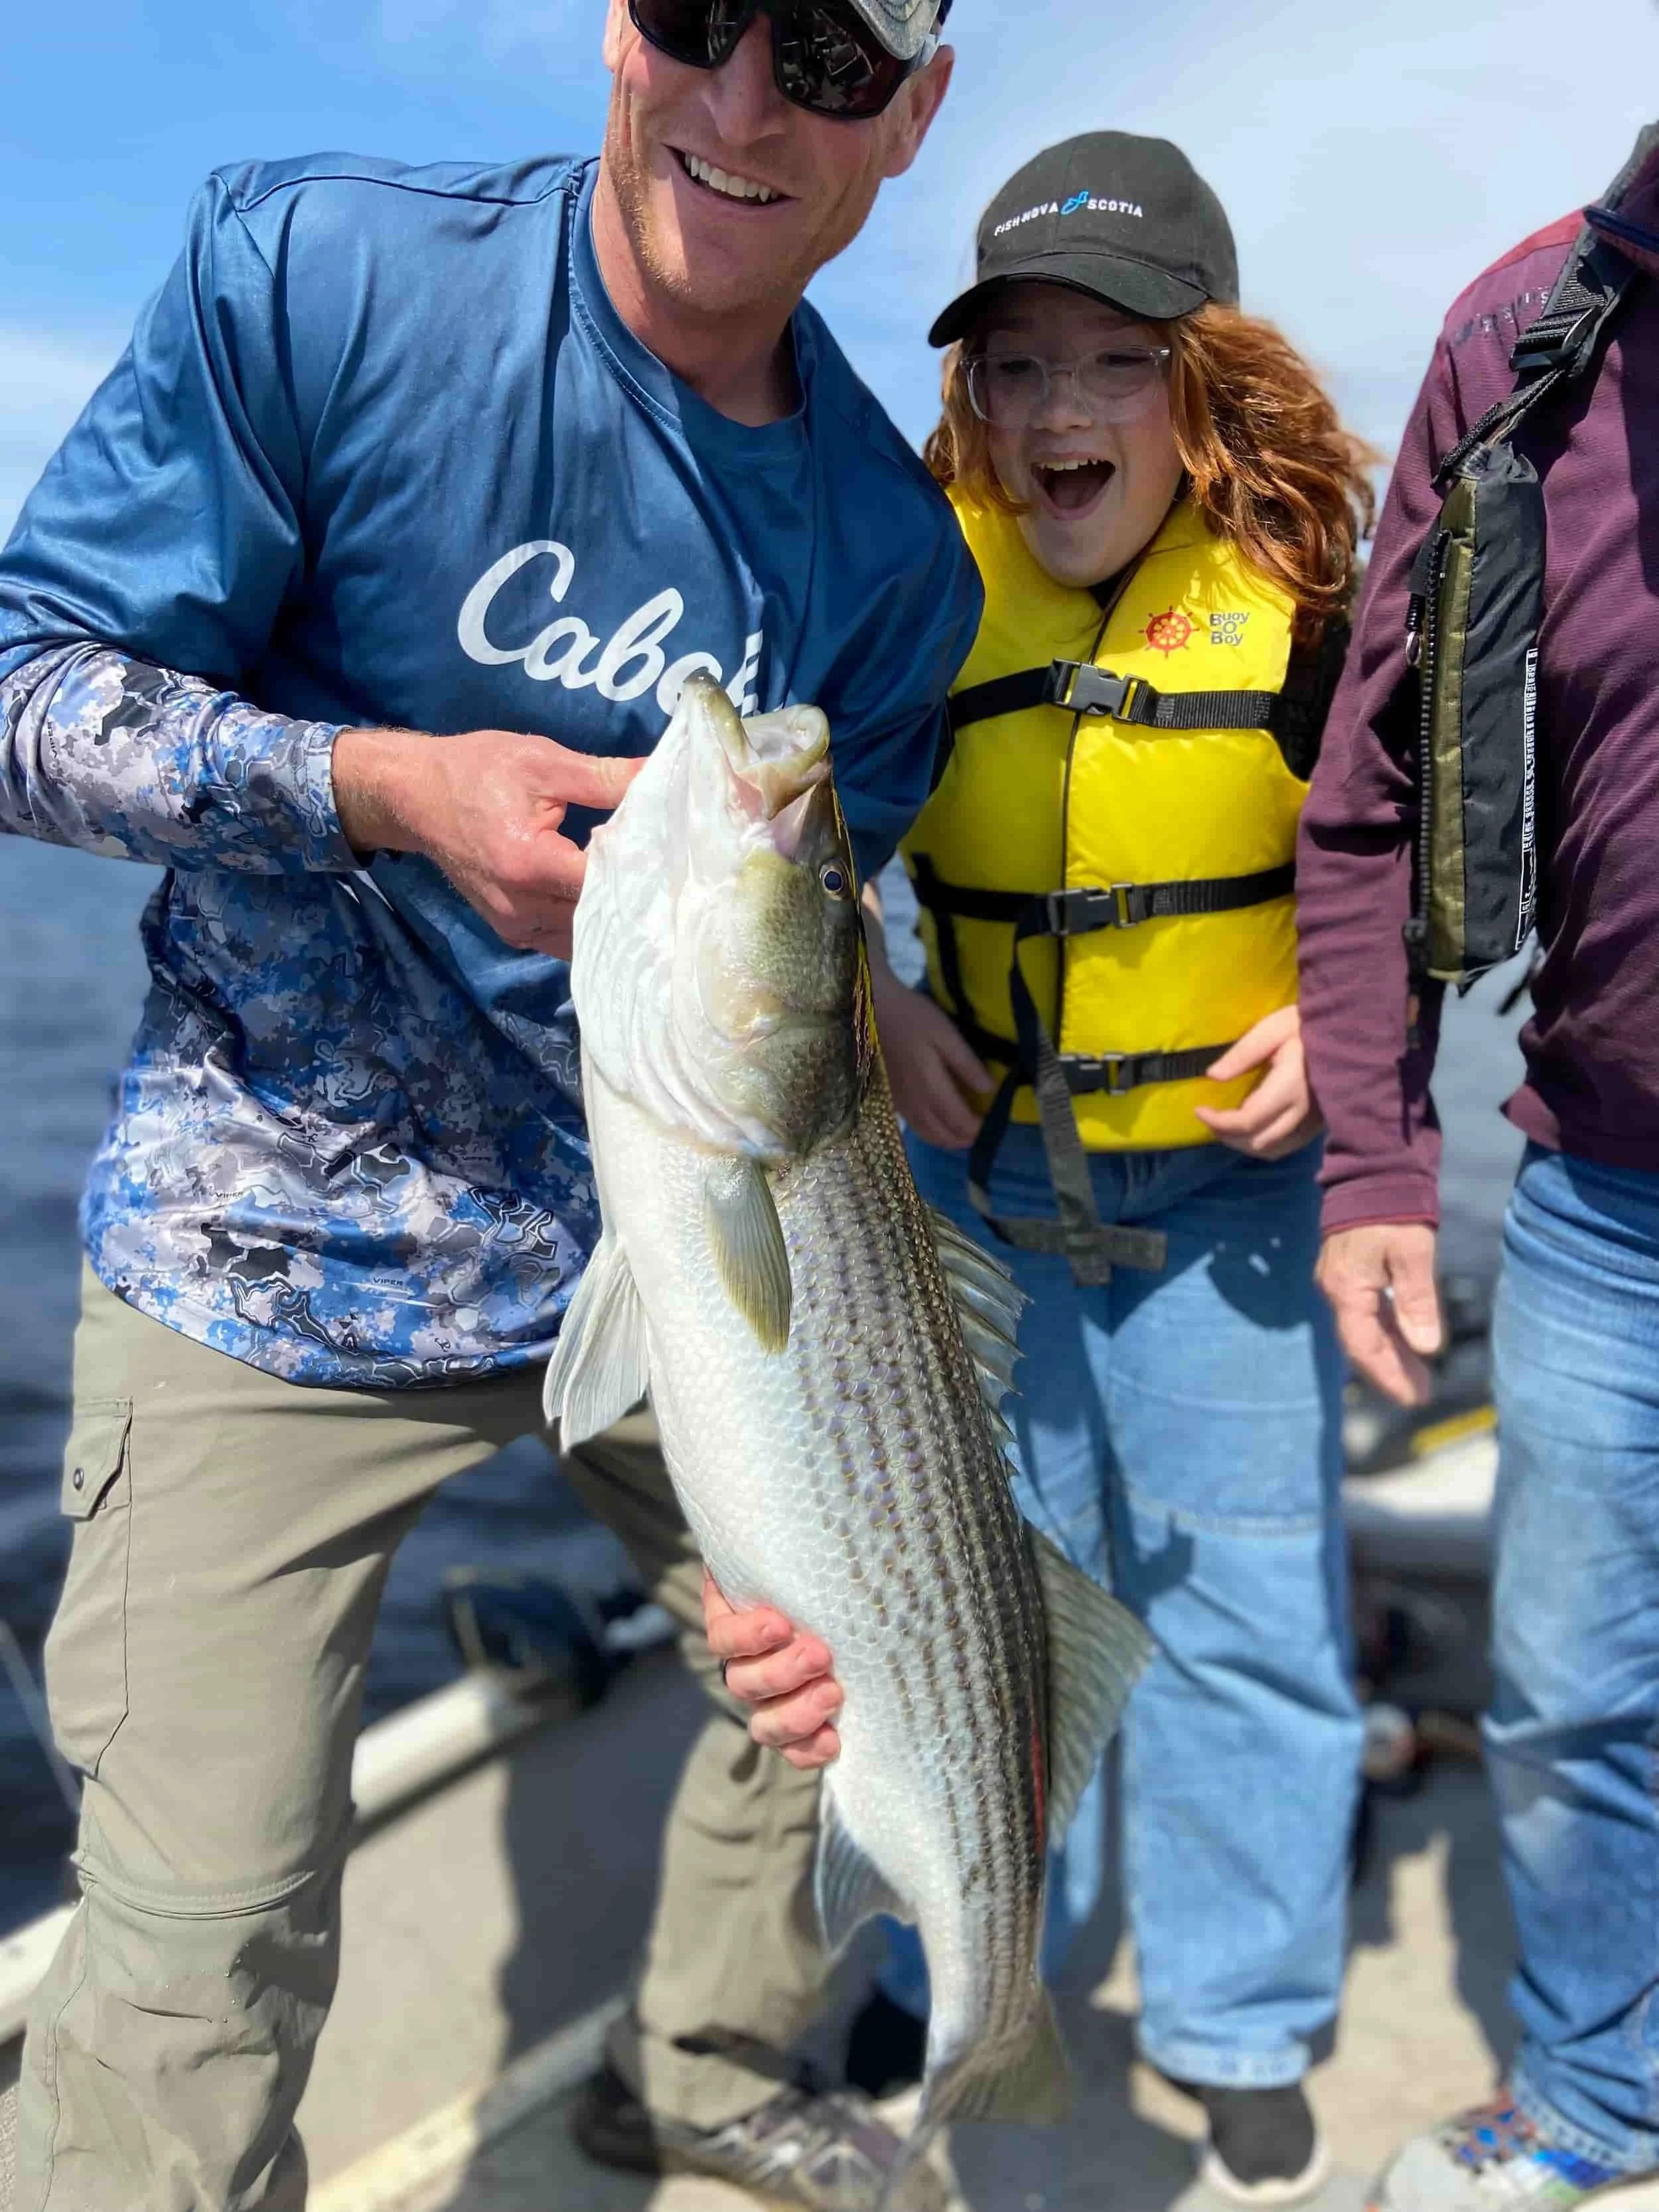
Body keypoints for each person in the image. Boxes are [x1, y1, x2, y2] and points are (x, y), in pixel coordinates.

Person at [0, 5, 981, 2206]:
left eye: (829, 61)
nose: (745, 107)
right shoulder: (322, 276)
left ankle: (710, 2060)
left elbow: (814, 926)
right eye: (710, 16)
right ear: (623, 25)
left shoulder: (894, 565)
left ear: (911, 114)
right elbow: (20, 684)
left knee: (865, 1646)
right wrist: (371, 786)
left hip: (672, 1257)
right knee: (199, 1945)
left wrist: (884, 995)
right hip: (270, 1253)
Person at [849, 130, 1372, 2203]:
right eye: (1017, 369)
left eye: (1113, 364)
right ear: (971, 396)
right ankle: (976, 1961)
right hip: (981, 1219)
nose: (1059, 414)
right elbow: (780, 844)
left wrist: (1346, 1031)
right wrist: (880, 995)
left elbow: (1433, 878)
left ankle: (1240, 2018)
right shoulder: (901, 580)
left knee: (1242, 1616)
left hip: (1225, 1219)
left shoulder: (1321, 602)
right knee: (971, 1614)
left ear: (1205, 382)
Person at [1297, 125, 1659, 2212]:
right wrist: (1371, 1163)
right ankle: (1599, 2093)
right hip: (1608, 1196)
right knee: (1565, 1694)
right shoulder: (1524, 337)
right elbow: (1367, 803)